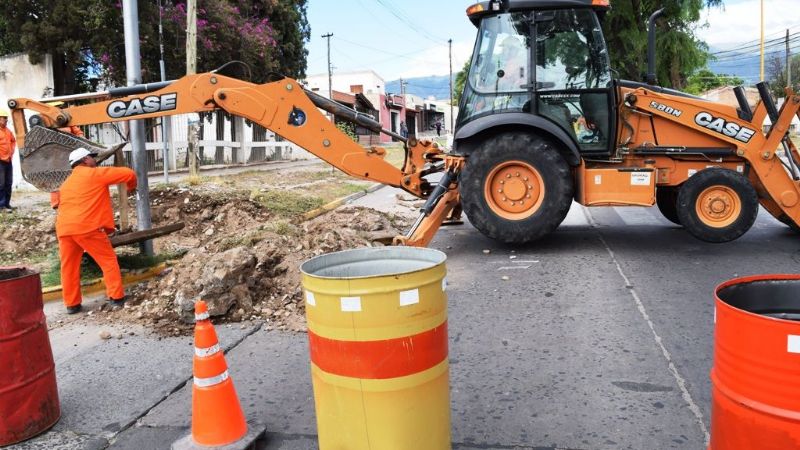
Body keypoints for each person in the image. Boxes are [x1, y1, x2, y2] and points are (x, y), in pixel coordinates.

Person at [57, 147, 137, 314]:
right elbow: (129, 173)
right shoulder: (95, 174)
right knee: (108, 261)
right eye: (92, 157)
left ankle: (72, 304)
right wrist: (131, 188)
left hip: (65, 229)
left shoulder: (66, 183)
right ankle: (116, 298)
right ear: (85, 159)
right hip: (87, 228)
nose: (95, 160)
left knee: (69, 267)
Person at [0, 108, 16, 211]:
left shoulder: (8, 131)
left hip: (8, 160)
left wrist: (11, 153)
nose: (6, 120)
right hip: (0, 161)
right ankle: (1, 206)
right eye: (4, 118)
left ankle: (7, 204)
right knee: (1, 183)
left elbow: (13, 141)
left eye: (6, 118)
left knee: (9, 183)